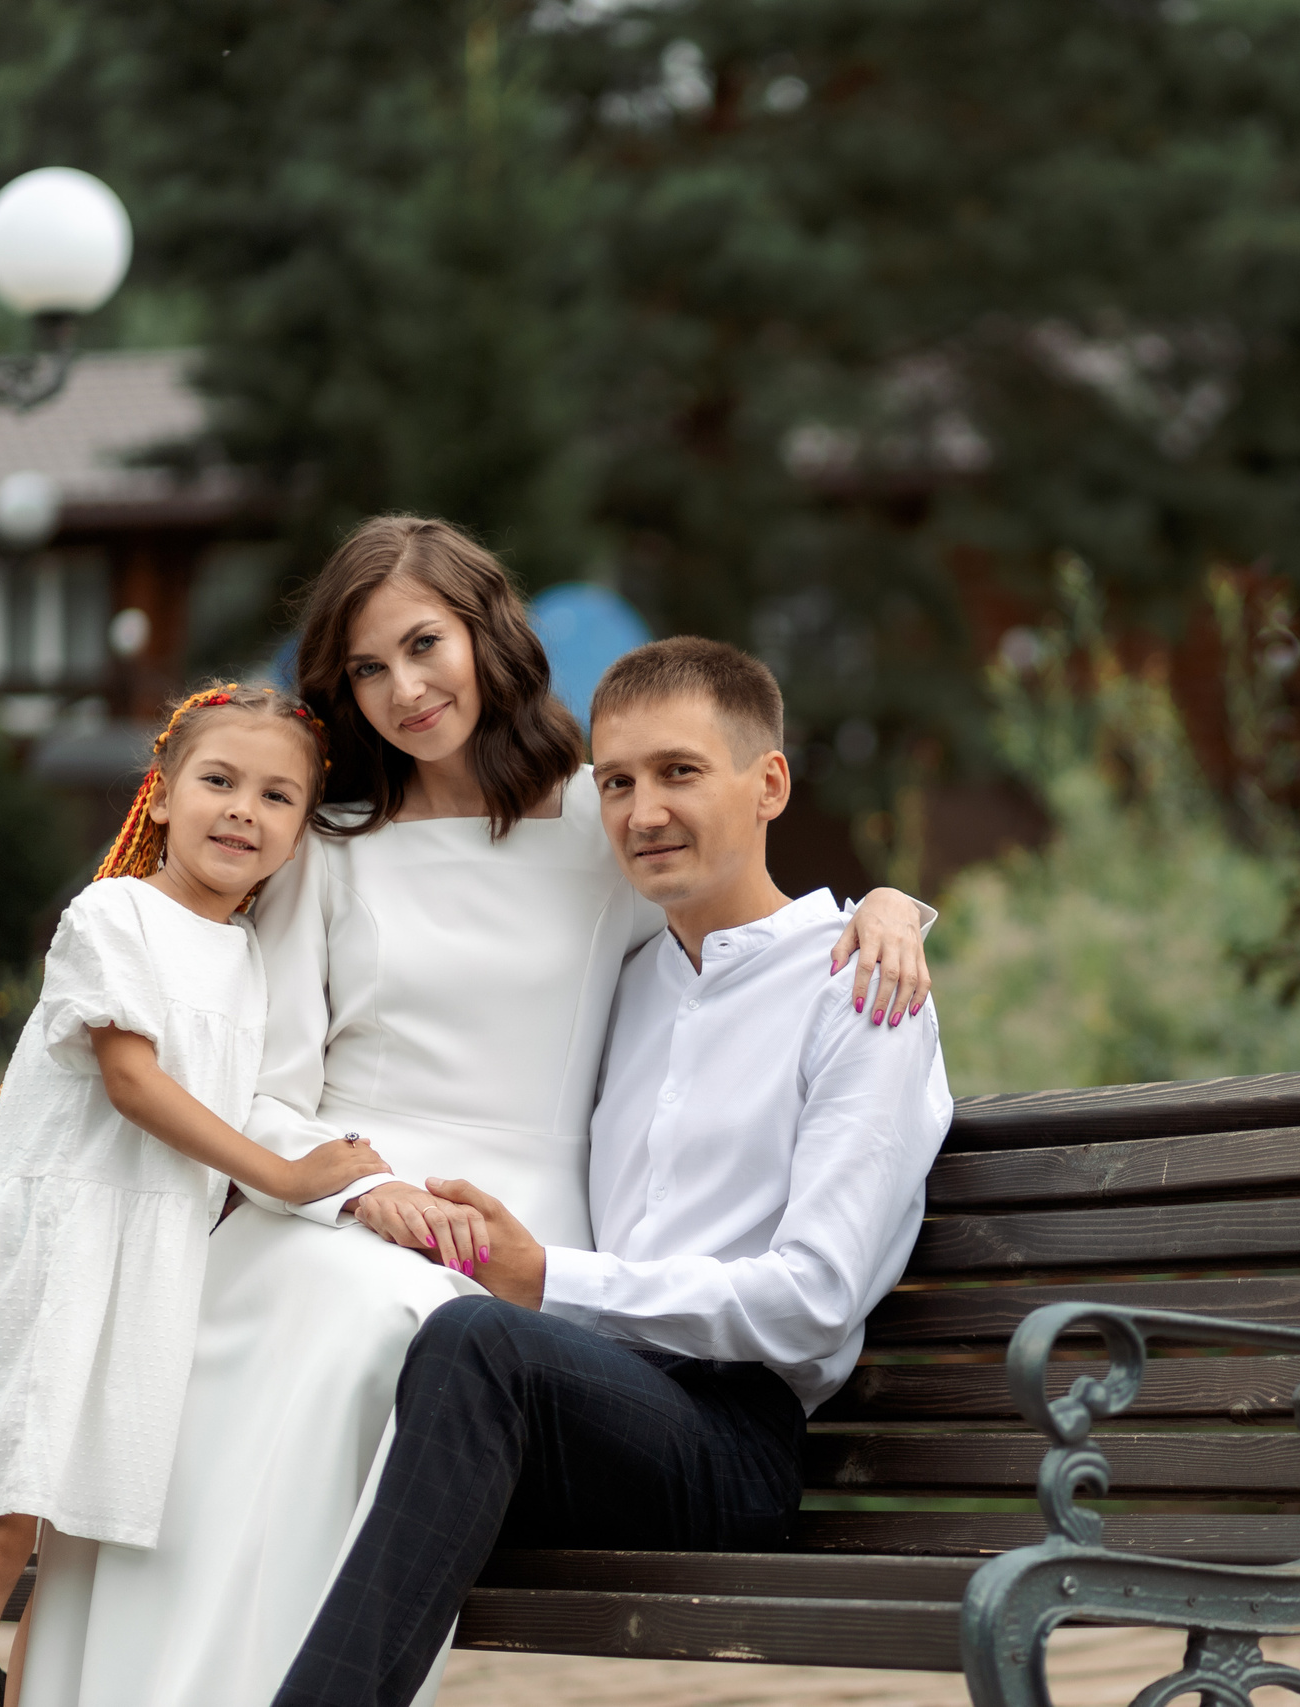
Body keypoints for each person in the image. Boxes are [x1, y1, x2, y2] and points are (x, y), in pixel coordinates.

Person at [15, 519, 935, 1707]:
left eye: (423, 643)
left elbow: (744, 889)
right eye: (364, 668)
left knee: (398, 1327)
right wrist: (354, 1187)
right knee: (300, 1313)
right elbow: (273, 1086)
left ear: (486, 633)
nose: (403, 688)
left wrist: (890, 909)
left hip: (531, 1260)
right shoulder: (332, 846)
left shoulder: (592, 832)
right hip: (360, 1203)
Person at [274, 636, 953, 1706]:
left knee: (476, 1341)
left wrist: (550, 1278)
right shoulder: (632, 981)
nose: (642, 813)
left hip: (731, 1447)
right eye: (620, 781)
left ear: (767, 782)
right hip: (592, 1414)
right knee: (326, 1369)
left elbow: (815, 1300)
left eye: (680, 773)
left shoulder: (857, 995)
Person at [0, 684, 389, 1707]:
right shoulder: (115, 916)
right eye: (219, 781)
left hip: (151, 1276)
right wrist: (281, 1173)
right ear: (160, 797)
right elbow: (133, 1081)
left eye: (278, 796)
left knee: (75, 1558)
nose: (245, 809)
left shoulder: (248, 959)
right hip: (64, 1256)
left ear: (300, 834)